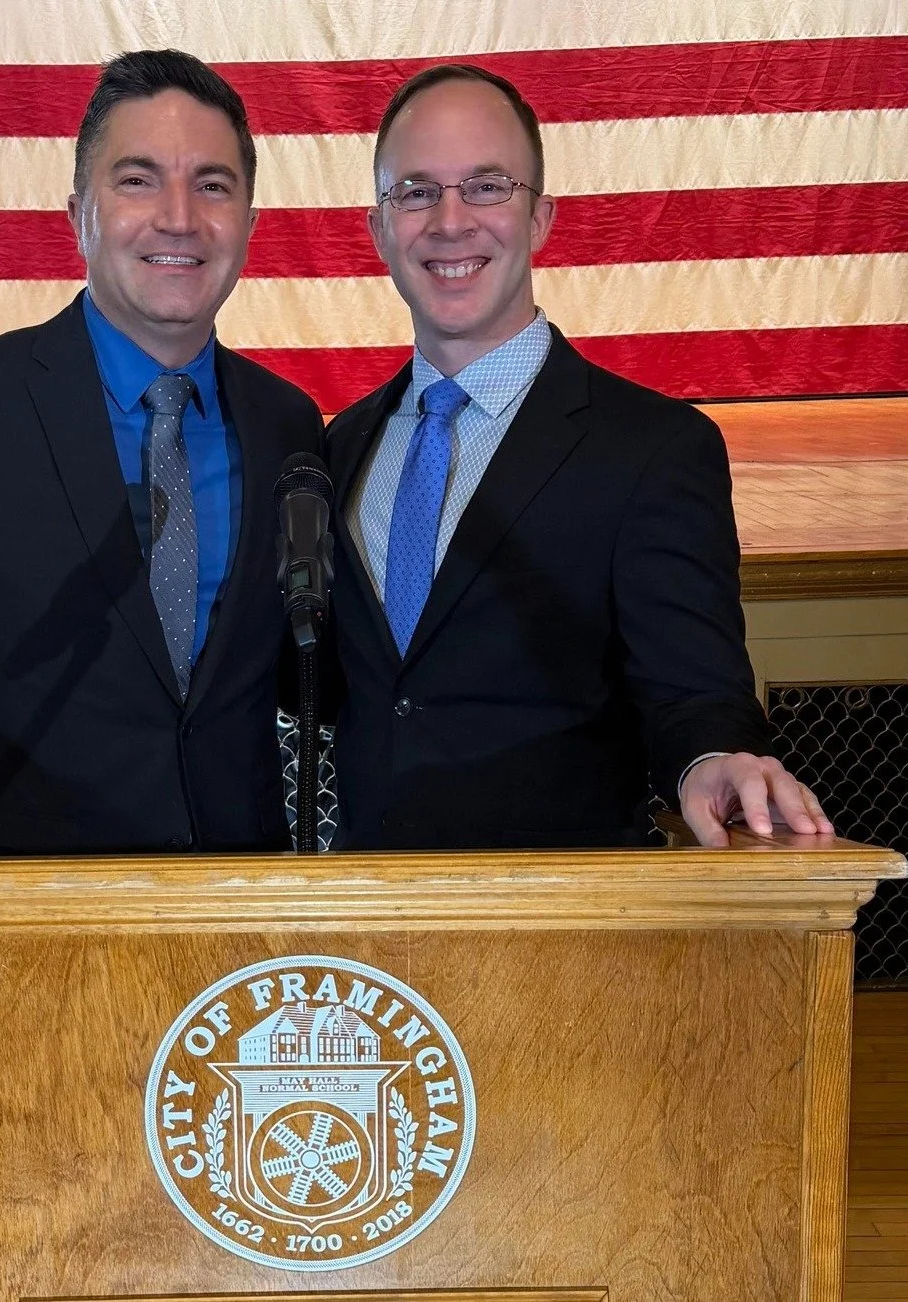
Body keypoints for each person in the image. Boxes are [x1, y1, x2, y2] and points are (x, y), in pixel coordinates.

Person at [0, 50, 322, 854]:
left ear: (249, 222)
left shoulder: (287, 421)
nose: (179, 216)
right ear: (80, 210)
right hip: (37, 908)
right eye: (138, 179)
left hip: (240, 909)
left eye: (213, 184)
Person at [324, 65, 832, 850]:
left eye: (487, 187)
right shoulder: (336, 448)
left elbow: (694, 690)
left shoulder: (655, 450)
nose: (450, 221)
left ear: (539, 219)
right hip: (367, 946)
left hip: (566, 937)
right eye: (417, 192)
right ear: (378, 228)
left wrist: (713, 758)